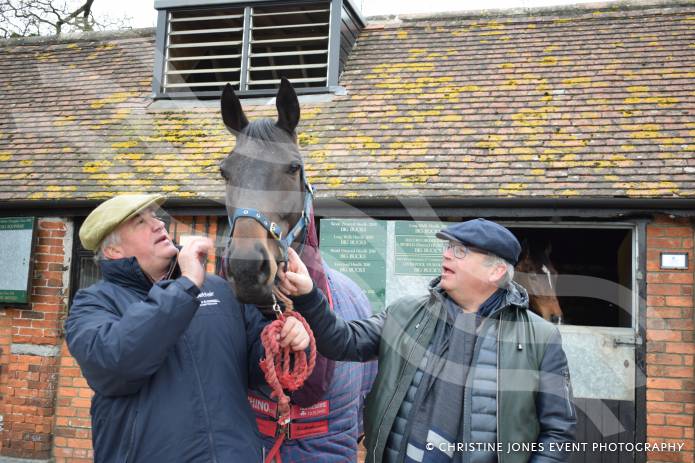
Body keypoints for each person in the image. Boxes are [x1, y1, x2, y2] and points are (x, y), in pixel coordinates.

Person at [280, 218, 577, 463]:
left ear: (496, 271)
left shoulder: (541, 339)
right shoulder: (406, 313)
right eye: (449, 246)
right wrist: (308, 295)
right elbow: (342, 341)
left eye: (461, 251)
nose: (447, 254)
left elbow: (558, 433)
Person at [65, 194, 310, 463]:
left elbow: (257, 367)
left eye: (155, 217)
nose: (158, 225)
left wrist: (285, 341)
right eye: (139, 222)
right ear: (114, 251)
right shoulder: (93, 304)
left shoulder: (218, 289)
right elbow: (116, 363)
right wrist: (188, 284)